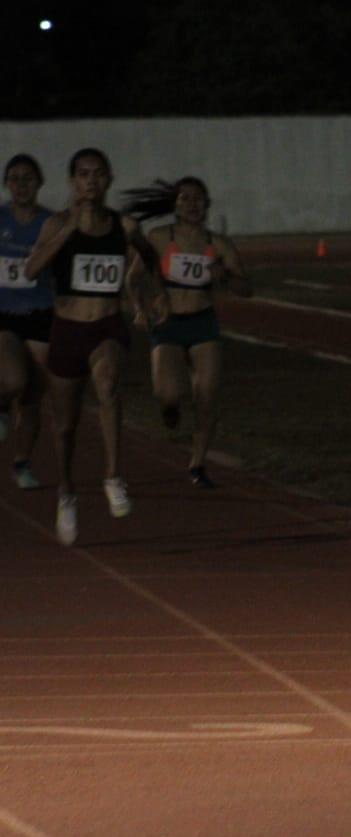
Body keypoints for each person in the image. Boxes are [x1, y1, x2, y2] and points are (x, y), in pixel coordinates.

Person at [24, 148, 164, 546]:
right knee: (64, 427)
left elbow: (150, 257)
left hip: (106, 325)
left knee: (107, 384)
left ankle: (113, 476)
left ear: (109, 180)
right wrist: (68, 232)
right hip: (67, 330)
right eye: (83, 174)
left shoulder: (124, 226)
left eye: (98, 174)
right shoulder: (56, 224)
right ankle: (67, 491)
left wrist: (149, 293)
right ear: (72, 182)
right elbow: (32, 270)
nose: (91, 181)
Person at [123, 177, 251, 489]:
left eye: (198, 198)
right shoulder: (158, 238)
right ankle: (170, 407)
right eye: (185, 198)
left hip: (202, 323)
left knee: (207, 396)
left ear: (207, 204)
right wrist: (140, 308)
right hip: (167, 324)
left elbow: (246, 288)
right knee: (168, 393)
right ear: (175, 204)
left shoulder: (218, 244)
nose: (192, 204)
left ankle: (197, 464)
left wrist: (225, 277)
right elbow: (133, 279)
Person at [0, 154, 54, 490]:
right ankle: (2, 404)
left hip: (41, 314)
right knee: (14, 380)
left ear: (39, 183)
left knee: (34, 396)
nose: (22, 185)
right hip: (3, 314)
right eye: (16, 178)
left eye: (28, 178)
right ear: (7, 183)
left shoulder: (50, 223)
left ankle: (22, 463)